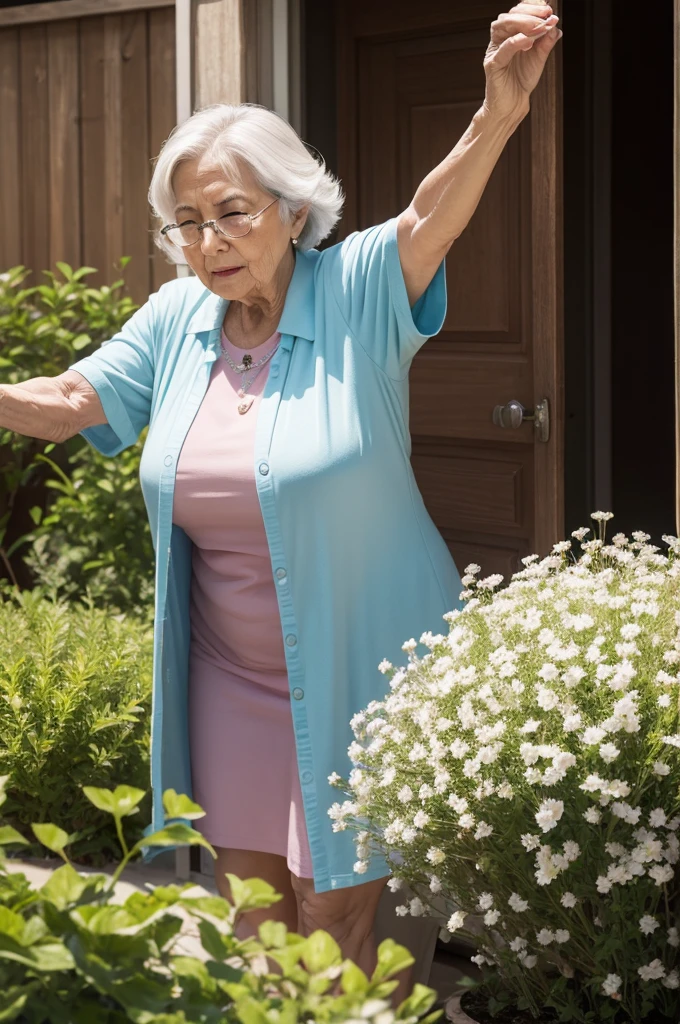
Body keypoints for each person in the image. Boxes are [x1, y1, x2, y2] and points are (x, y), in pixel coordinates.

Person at [0, 2, 561, 1000]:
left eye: (231, 211)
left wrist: (496, 111)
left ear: (292, 210)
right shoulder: (175, 320)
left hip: (365, 662)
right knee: (255, 920)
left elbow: (432, 212)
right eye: (187, 221)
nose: (208, 239)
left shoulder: (353, 290)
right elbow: (68, 402)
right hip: (228, 678)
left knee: (335, 911)